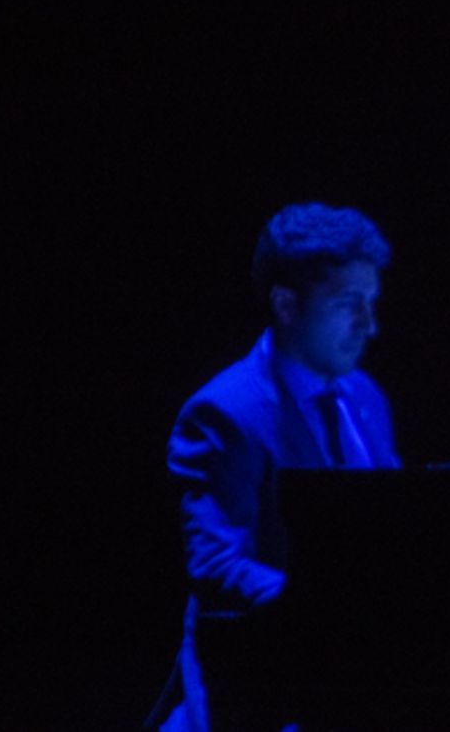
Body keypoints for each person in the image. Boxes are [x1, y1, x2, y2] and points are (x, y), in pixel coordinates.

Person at [152, 202, 401, 731]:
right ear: (286, 305)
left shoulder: (366, 397)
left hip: (362, 684)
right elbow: (216, 566)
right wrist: (325, 609)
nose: (370, 326)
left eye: (372, 302)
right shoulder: (225, 412)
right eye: (348, 304)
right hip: (268, 695)